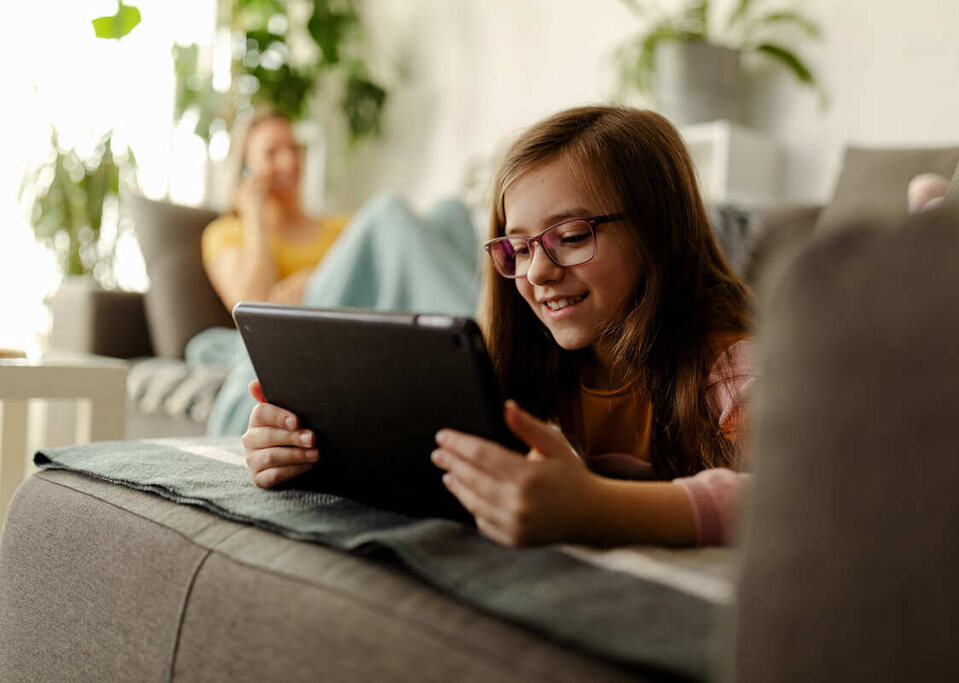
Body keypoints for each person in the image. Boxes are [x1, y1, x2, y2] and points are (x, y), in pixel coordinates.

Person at [241, 106, 756, 547]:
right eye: (521, 248)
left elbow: (792, 499)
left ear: (659, 232)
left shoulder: (732, 370)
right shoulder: (528, 363)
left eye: (573, 237)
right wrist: (302, 446)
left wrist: (597, 508)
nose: (537, 272)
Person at [202, 109, 350, 311]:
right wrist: (254, 218)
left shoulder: (343, 228)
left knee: (386, 213)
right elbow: (253, 307)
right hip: (298, 335)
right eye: (271, 153)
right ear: (245, 169)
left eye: (294, 149)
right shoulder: (225, 234)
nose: (289, 162)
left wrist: (314, 279)